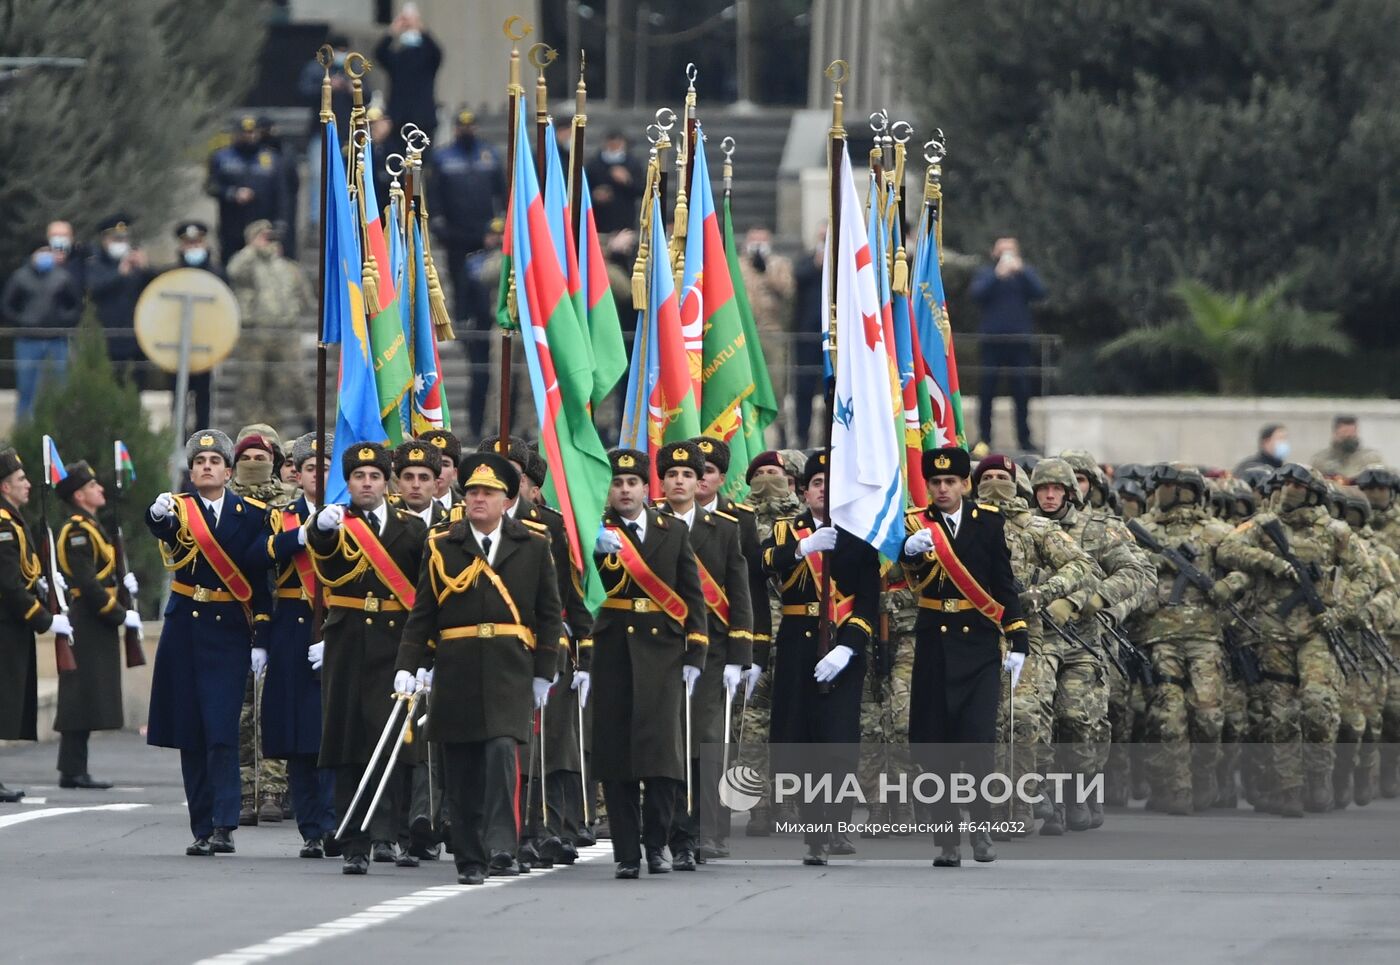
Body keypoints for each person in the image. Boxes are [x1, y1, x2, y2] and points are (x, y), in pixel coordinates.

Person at [394, 452, 563, 885]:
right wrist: (409, 664)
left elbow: (548, 613)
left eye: (488, 493)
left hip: (510, 666)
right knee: (462, 765)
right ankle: (469, 857)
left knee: (502, 752)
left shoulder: (534, 544)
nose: (477, 499)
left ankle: (502, 844)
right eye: (471, 492)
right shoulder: (441, 545)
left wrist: (546, 668)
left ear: (507, 500)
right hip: (458, 666)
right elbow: (423, 613)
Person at [1217, 464, 1375, 815]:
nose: (1289, 489)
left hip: (1317, 633)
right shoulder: (1262, 526)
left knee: (1318, 706)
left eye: (1297, 484)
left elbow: (1366, 576)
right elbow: (1227, 549)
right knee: (1281, 715)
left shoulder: (1336, 532)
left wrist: (1341, 611)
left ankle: (1319, 778)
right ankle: (1290, 788)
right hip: (1273, 633)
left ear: (1314, 492)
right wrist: (1270, 562)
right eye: (1285, 483)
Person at [145, 430, 274, 856]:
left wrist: (261, 634)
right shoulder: (179, 510)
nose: (206, 467)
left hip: (228, 632)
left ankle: (224, 824)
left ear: (229, 471)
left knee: (221, 731)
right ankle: (202, 826)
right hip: (185, 630)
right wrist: (156, 514)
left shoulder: (251, 514)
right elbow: (161, 529)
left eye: (215, 462)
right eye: (199, 462)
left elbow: (259, 579)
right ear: (191, 471)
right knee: (190, 732)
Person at [902, 447, 1028, 866]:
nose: (942, 489)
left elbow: (1003, 583)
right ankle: (947, 840)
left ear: (964, 484)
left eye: (950, 482)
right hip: (935, 647)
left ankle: (981, 827)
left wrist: (1019, 637)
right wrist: (908, 551)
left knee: (976, 745)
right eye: (935, 483)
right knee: (935, 747)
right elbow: (898, 579)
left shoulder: (987, 523)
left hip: (978, 650)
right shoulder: (915, 525)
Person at [306, 442, 428, 874]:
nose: (367, 484)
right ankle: (353, 839)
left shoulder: (412, 528)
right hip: (348, 641)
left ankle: (386, 836)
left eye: (374, 476)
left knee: (391, 743)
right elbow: (323, 560)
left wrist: (424, 655)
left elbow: (425, 595)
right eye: (358, 477)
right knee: (347, 741)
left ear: (386, 481)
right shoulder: (336, 523)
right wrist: (319, 529)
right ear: (348, 482)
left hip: (395, 645)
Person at [591, 449, 708, 879]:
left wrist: (695, 651)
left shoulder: (671, 530)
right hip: (612, 656)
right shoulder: (594, 531)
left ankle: (656, 845)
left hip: (663, 656)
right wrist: (592, 550)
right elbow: (583, 594)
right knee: (617, 759)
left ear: (646, 488)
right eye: (617, 483)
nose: (624, 490)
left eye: (632, 483)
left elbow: (691, 594)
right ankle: (626, 853)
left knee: (662, 761)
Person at [477, 437, 593, 868]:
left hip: (542, 645)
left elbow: (567, 594)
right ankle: (513, 831)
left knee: (550, 743)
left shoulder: (549, 526)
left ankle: (549, 827)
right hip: (490, 646)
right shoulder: (463, 529)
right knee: (508, 745)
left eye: (512, 477)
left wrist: (585, 649)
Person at [761, 451, 879, 865]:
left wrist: (849, 646)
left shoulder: (860, 534)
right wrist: (802, 548)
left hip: (843, 646)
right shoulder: (784, 531)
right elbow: (759, 564)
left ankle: (837, 823)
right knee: (804, 739)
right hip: (798, 645)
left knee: (838, 740)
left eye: (831, 484)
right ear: (803, 490)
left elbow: (868, 599)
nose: (823, 491)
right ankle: (815, 831)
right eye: (816, 484)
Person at [969, 453, 1094, 836]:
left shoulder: (1035, 527)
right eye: (986, 476)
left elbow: (1080, 564)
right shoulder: (963, 526)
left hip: (1023, 636)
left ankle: (1018, 806)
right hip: (971, 636)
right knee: (981, 724)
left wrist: (1042, 594)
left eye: (1002, 477)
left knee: (1021, 721)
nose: (994, 483)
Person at [1032, 456, 1153, 833]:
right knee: (1035, 718)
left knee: (1076, 719)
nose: (1049, 496)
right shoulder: (1022, 528)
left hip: (1084, 640)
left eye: (1058, 488)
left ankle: (1079, 792)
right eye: (1042, 489)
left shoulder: (1101, 529)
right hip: (1036, 639)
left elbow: (1137, 574)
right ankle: (1046, 796)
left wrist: (1098, 604)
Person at [1128, 463, 1250, 814]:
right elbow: (1122, 569)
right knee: (1168, 717)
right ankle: (1176, 789)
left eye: (1169, 486)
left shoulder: (1215, 532)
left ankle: (1205, 777)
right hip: (1157, 636)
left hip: (1205, 637)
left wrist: (1226, 587)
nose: (1162, 492)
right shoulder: (1141, 530)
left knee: (1209, 716)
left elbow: (1244, 568)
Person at [655, 441, 752, 869]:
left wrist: (740, 653)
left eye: (688, 475)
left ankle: (707, 831)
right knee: (666, 743)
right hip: (659, 650)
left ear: (700, 483)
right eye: (672, 475)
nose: (679, 481)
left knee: (708, 742)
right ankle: (667, 827)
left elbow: (739, 591)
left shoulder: (724, 528)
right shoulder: (648, 524)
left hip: (711, 652)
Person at [263, 432, 337, 858]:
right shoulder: (283, 517)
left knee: (329, 730)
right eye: (311, 468)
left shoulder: (348, 516)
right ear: (299, 475)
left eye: (325, 468)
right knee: (296, 734)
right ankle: (310, 827)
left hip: (335, 626)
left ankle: (332, 822)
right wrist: (304, 537)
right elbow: (262, 553)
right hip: (293, 626)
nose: (317, 475)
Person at [54, 460, 139, 790]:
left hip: (96, 621)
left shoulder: (92, 527)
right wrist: (120, 612)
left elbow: (102, 576)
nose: (100, 489)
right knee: (78, 696)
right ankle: (72, 770)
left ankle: (76, 769)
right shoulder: (77, 531)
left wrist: (123, 584)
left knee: (87, 695)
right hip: (88, 619)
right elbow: (88, 585)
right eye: (92, 486)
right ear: (79, 495)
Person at [1, 448, 73, 802]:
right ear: (4, 487)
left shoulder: (13, 520)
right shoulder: (2, 523)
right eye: (20, 480)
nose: (27, 485)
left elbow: (23, 575)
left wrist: (42, 588)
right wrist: (45, 620)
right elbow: (9, 585)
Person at [230, 429, 292, 824]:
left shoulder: (288, 505)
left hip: (280, 611)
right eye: (246, 456)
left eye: (262, 455)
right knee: (239, 709)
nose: (254, 462)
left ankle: (273, 787)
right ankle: (242, 788)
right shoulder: (223, 501)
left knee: (273, 704)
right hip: (232, 615)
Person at [225, 222, 315, 432]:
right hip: (255, 334)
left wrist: (293, 311)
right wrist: (252, 248)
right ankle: (246, 432)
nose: (269, 241)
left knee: (285, 384)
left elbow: (305, 298)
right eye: (264, 237)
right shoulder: (246, 264)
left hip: (286, 333)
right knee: (251, 387)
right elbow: (233, 271)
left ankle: (283, 430)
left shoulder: (289, 268)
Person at [428, 110, 506, 325]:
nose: (466, 130)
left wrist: (501, 227)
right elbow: (432, 194)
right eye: (462, 127)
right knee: (458, 279)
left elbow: (503, 191)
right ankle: (462, 321)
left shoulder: (489, 155)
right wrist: (438, 225)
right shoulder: (442, 158)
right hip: (456, 234)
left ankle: (483, 319)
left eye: (470, 126)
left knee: (484, 282)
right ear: (455, 130)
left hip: (486, 233)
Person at [969, 237, 1046, 451]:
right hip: (992, 341)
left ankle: (1024, 439)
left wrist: (1022, 271)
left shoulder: (1024, 274)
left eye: (1010, 251)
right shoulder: (986, 273)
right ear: (994, 252)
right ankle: (984, 438)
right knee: (986, 391)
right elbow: (976, 294)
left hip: (1019, 341)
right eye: (1002, 251)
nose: (1006, 255)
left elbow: (1040, 292)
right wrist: (997, 275)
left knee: (1022, 391)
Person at [2, 239, 83, 420]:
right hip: (27, 341)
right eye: (42, 251)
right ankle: (24, 431)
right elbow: (7, 306)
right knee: (27, 389)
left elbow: (76, 306)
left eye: (49, 251)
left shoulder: (63, 277)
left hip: (56, 340)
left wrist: (63, 321)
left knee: (60, 388)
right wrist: (22, 321)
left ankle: (59, 427)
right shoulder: (19, 277)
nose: (46, 255)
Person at [206, 115, 290, 263]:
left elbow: (281, 193)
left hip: (262, 225)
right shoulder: (221, 157)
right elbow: (211, 186)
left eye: (252, 132)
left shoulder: (271, 158)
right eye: (244, 133)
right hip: (232, 226)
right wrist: (231, 193)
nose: (249, 136)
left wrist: (280, 222)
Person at [735, 229, 795, 415]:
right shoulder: (737, 264)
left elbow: (788, 291)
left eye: (762, 241)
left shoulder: (780, 264)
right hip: (743, 330)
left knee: (775, 380)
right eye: (754, 241)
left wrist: (765, 270)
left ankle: (779, 422)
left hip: (772, 330)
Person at [84, 214, 153, 373]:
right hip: (106, 338)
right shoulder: (95, 263)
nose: (120, 244)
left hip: (135, 339)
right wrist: (119, 274)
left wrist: (146, 269)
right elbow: (93, 288)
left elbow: (155, 288)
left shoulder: (136, 267)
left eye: (123, 239)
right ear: (104, 240)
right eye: (115, 239)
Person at [374, 2, 442, 150]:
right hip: (398, 119)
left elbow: (437, 53)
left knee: (421, 163)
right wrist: (392, 31)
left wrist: (420, 27)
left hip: (423, 119)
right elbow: (379, 53)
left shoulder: (427, 59)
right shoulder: (397, 59)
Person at [585, 132, 645, 234]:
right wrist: (594, 195)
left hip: (625, 221)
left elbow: (642, 190)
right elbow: (585, 189)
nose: (614, 148)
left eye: (617, 145)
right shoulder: (593, 165)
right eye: (611, 145)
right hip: (600, 221)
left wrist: (627, 181)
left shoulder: (633, 164)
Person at [1310, 415, 1384, 479]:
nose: (1349, 437)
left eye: (1352, 433)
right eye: (1345, 433)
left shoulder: (1371, 459)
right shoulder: (1321, 460)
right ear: (1335, 433)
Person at [417, 429, 462, 514]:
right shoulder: (402, 509)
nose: (438, 469)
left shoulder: (468, 509)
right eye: (432, 463)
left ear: (455, 473)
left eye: (445, 465)